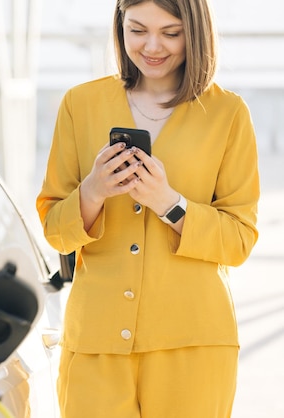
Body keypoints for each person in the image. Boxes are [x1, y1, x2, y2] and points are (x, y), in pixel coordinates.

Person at [36, 0, 260, 416]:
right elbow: (54, 228)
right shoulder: (79, 104)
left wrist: (169, 204)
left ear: (195, 31)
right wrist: (93, 192)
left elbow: (239, 240)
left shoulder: (228, 114)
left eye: (171, 33)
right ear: (119, 24)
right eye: (137, 30)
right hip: (95, 344)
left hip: (192, 341)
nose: (152, 46)